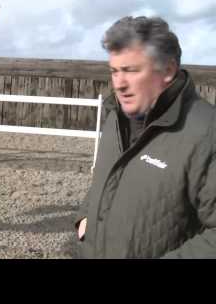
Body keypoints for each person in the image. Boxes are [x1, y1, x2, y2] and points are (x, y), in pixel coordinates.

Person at [75, 16, 216, 258]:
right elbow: (107, 179)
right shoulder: (114, 120)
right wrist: (84, 217)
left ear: (168, 70)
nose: (119, 83)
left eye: (131, 70)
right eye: (114, 71)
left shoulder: (206, 132)